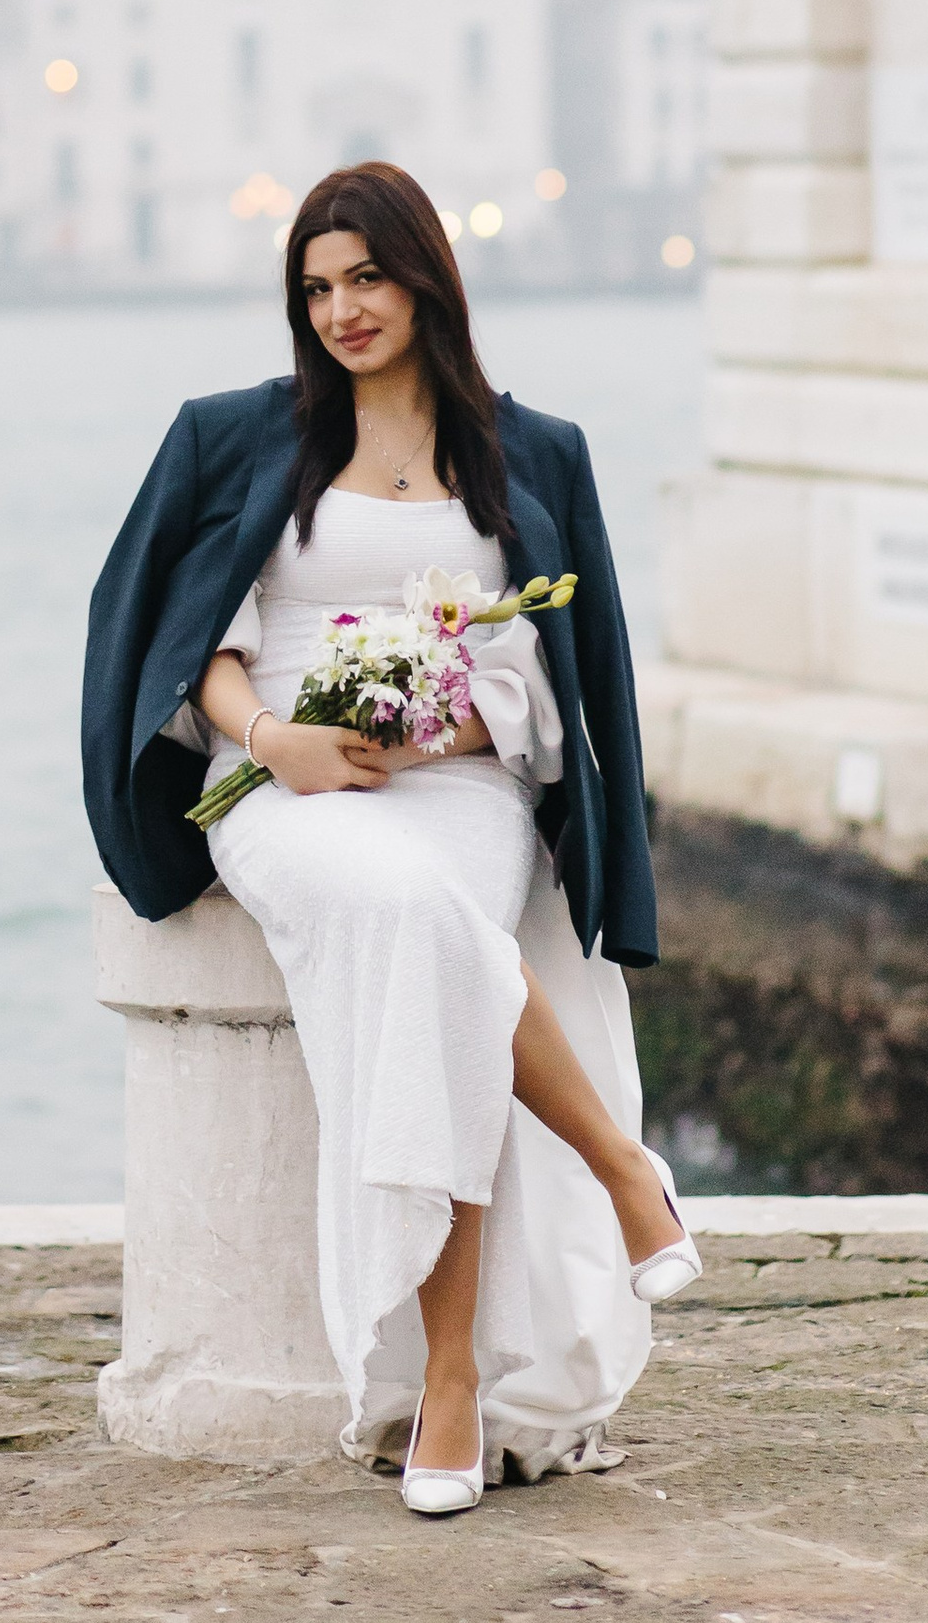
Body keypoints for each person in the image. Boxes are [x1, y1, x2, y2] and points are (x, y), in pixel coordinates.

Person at [83, 159, 697, 1515]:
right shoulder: (234, 434)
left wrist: (445, 732)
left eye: (366, 275)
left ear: (425, 275)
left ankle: (456, 1386)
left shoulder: (535, 453)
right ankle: (623, 1175)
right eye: (315, 286)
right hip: (289, 792)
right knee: (422, 926)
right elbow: (182, 641)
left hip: (462, 789)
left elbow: (564, 677)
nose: (341, 309)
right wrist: (275, 740)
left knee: (440, 934)